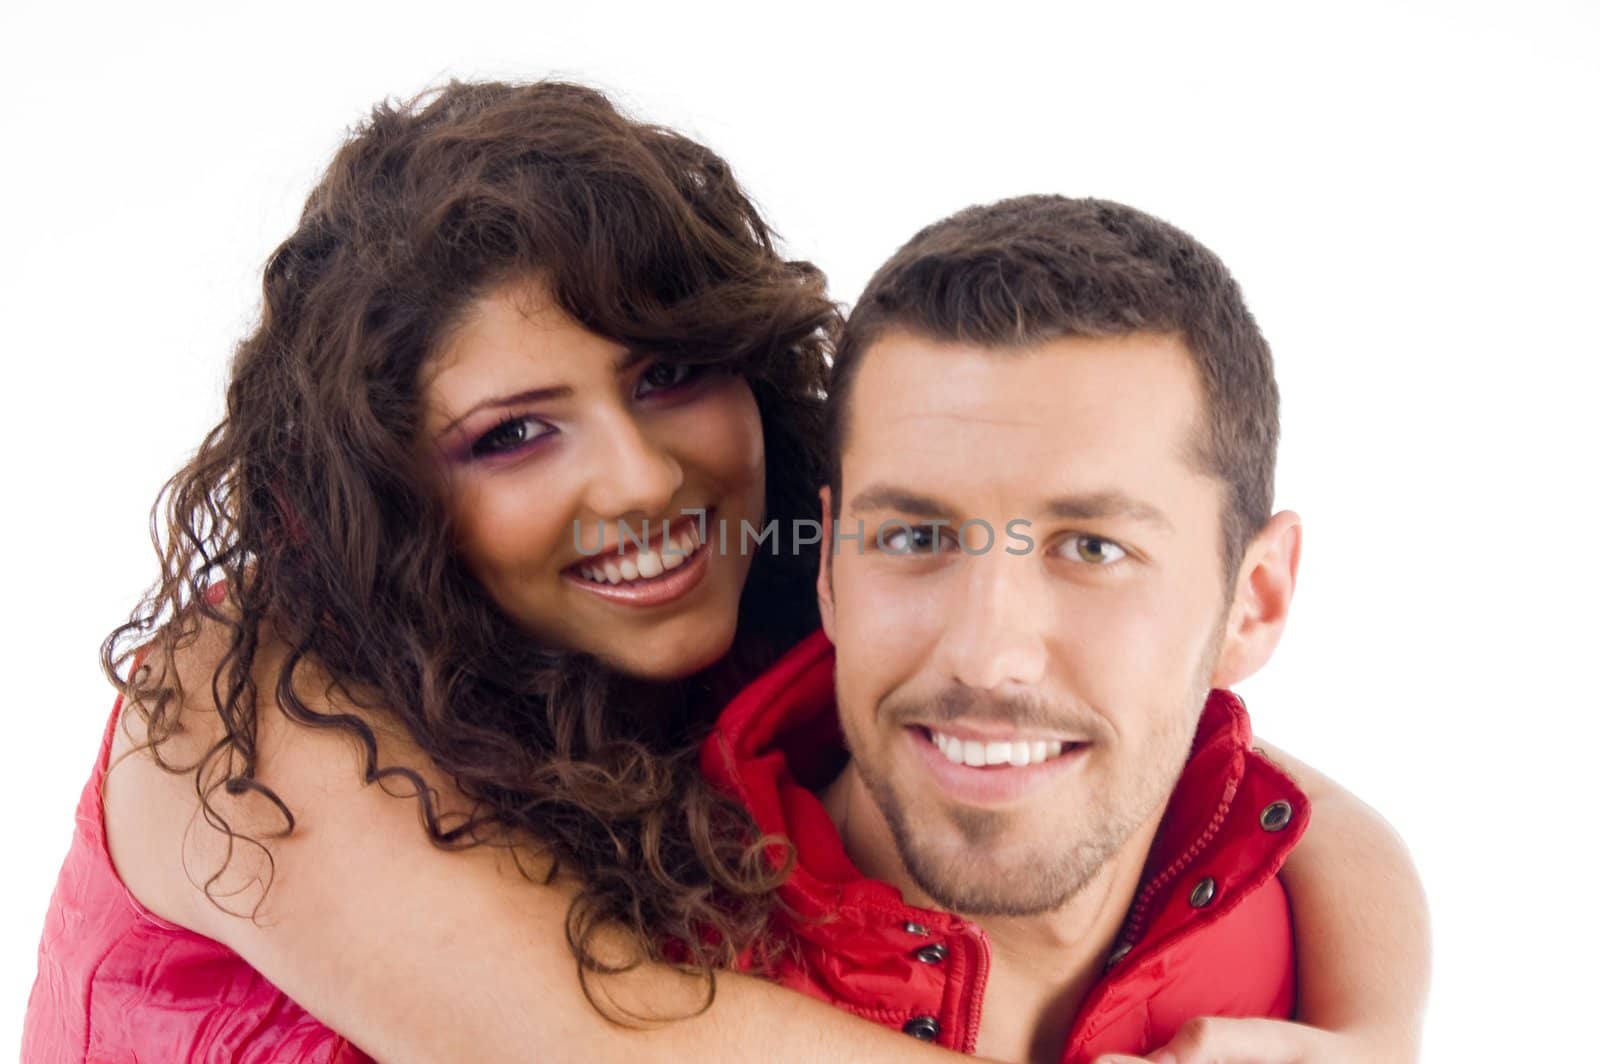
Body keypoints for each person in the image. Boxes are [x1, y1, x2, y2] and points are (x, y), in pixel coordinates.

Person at [22, 81, 1425, 1063]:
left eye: (669, 376)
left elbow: (1231, 768)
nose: (637, 481)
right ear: (391, 492)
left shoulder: (770, 605)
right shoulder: (235, 705)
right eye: (513, 435)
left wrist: (1376, 1038)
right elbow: (586, 1040)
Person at [701, 195, 1430, 1062]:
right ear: (828, 570)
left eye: (1091, 547)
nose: (987, 656)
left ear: (1255, 601)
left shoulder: (1293, 939)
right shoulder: (636, 980)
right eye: (914, 537)